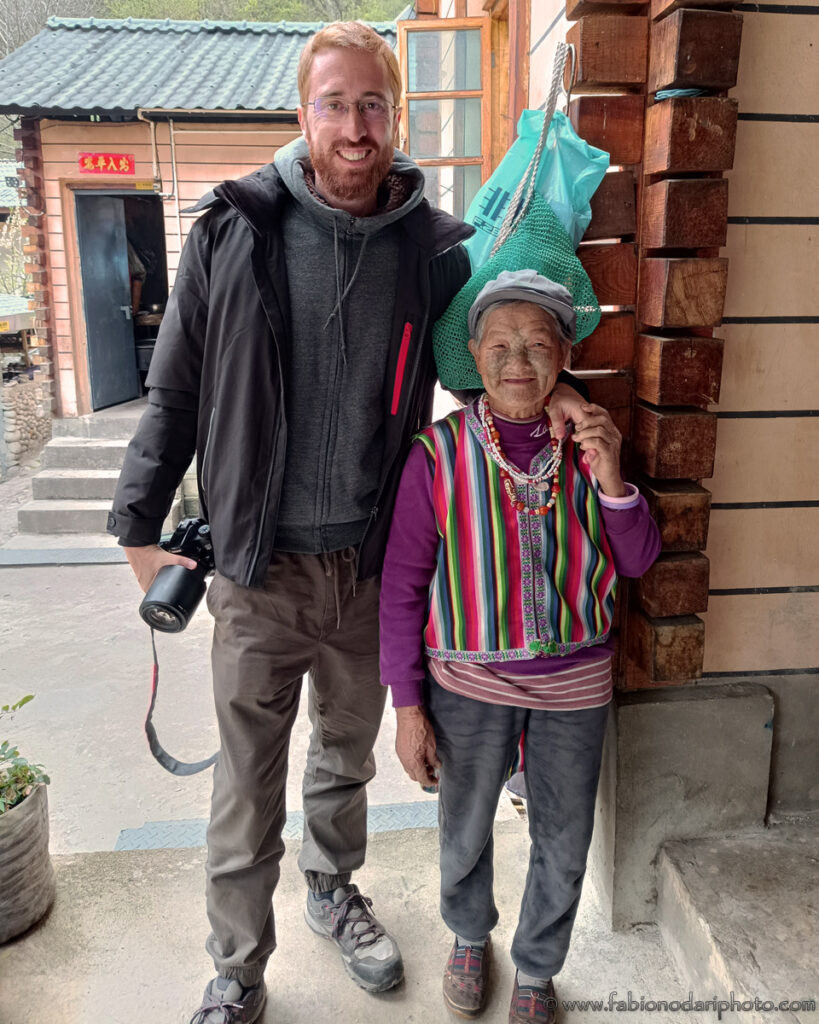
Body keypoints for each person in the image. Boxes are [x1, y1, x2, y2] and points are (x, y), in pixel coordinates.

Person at [108, 24, 587, 1024]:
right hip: (256, 570)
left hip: (368, 570)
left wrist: (570, 399)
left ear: (394, 117)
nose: (356, 125)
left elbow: (494, 355)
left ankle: (333, 890)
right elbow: (176, 390)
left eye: (374, 104)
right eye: (336, 103)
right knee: (246, 785)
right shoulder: (233, 230)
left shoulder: (434, 248)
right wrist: (136, 527)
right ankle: (238, 971)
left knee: (344, 755)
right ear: (302, 114)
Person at [380, 270, 661, 1023]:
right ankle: (469, 937)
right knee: (463, 827)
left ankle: (536, 970)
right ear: (473, 355)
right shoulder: (434, 455)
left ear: (563, 353)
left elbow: (634, 561)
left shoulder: (590, 440)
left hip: (574, 685)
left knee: (564, 839)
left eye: (537, 345)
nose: (517, 361)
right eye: (499, 345)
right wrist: (406, 707)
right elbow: (403, 589)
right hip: (466, 682)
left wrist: (613, 481)